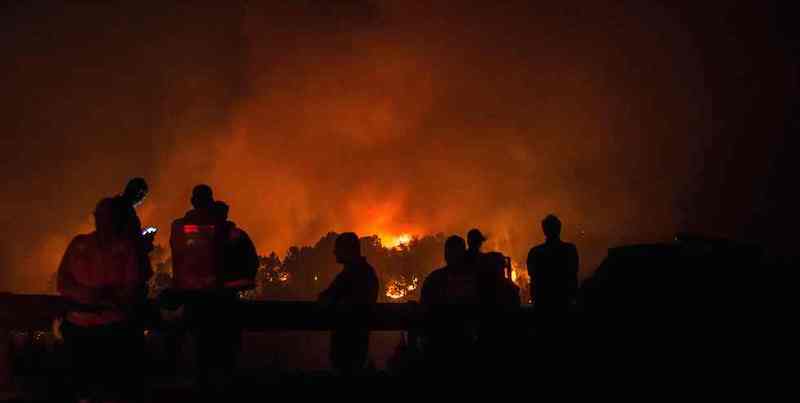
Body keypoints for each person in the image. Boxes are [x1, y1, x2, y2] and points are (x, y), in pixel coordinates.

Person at [57, 198, 151, 402]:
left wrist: (93, 297)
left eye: (107, 217)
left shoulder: (126, 249)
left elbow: (130, 288)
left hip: (110, 328)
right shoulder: (79, 244)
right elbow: (63, 280)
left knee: (110, 387)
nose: (103, 221)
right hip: (80, 326)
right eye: (100, 216)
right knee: (82, 387)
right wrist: (96, 296)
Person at [168, 185, 241, 392]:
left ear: (193, 201)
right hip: (218, 298)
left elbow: (178, 254)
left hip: (193, 296)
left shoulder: (179, 227)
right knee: (220, 352)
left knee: (198, 352)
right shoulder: (224, 229)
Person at [317, 232, 379, 375]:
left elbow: (327, 298)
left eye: (338, 248)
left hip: (348, 342)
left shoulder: (351, 275)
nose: (334, 252)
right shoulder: (366, 273)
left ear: (347, 250)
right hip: (358, 342)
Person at [526, 214, 579, 312]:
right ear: (559, 229)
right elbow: (573, 273)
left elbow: (532, 276)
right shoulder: (569, 250)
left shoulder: (535, 252)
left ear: (544, 230)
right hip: (563, 301)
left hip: (542, 302)